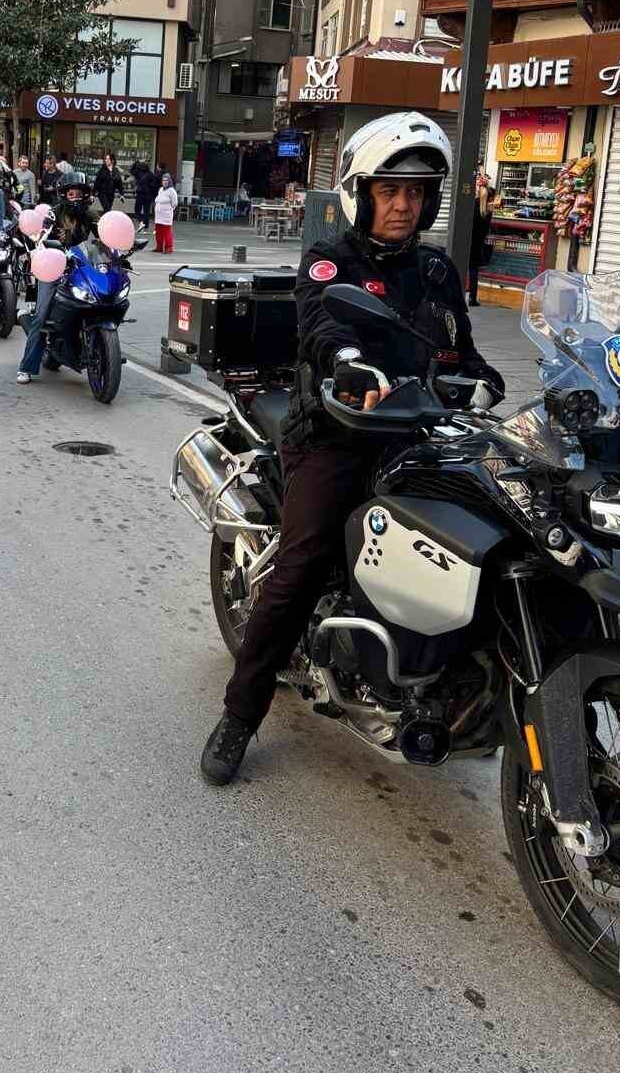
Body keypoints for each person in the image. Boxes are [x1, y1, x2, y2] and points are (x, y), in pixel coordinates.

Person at [199, 112, 504, 785]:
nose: (403, 205)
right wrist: (347, 365)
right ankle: (239, 715)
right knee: (301, 567)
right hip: (335, 433)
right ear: (361, 193)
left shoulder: (435, 269)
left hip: (418, 435)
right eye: (390, 190)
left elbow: (460, 349)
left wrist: (482, 378)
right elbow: (321, 327)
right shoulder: (331, 259)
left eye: (417, 193)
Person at [16, 170, 97, 384]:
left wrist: (117, 255)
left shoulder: (90, 215)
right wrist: (51, 247)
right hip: (54, 267)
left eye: (79, 193)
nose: (75, 197)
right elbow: (40, 239)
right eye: (71, 194)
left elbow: (104, 239)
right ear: (64, 195)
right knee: (41, 315)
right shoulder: (54, 214)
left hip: (81, 267)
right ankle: (26, 367)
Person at [468, 174, 498, 308]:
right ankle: (472, 298)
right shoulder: (487, 210)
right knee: (473, 270)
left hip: (467, 240)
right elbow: (486, 229)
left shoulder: (472, 205)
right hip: (478, 242)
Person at [153, 171, 178, 253]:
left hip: (166, 215)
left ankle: (169, 247)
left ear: (169, 181)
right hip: (158, 216)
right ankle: (159, 247)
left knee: (167, 232)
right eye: (163, 180)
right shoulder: (160, 189)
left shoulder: (172, 191)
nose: (165, 182)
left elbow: (174, 203)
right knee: (158, 232)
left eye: (166, 180)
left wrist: (169, 210)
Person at [131, 160, 157, 228]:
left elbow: (131, 170)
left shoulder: (138, 173)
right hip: (148, 195)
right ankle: (145, 225)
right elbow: (154, 185)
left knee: (137, 211)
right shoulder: (151, 174)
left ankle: (141, 221)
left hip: (140, 194)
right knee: (146, 211)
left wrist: (136, 162)